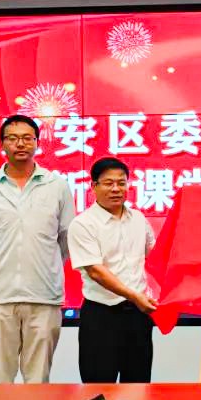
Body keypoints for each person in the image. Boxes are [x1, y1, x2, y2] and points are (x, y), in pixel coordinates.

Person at [0, 114, 75, 384]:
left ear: (37, 142)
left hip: (44, 296)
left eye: (27, 138)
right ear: (2, 144)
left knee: (38, 380)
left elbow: (65, 238)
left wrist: (43, 265)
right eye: (13, 138)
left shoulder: (57, 186)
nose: (20, 144)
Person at [67, 157, 158, 383]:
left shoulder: (138, 219)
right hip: (101, 316)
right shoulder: (83, 224)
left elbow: (156, 256)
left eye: (121, 183)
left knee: (138, 386)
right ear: (94, 186)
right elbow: (95, 271)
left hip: (138, 316)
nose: (116, 189)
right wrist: (135, 296)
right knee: (98, 388)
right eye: (108, 183)